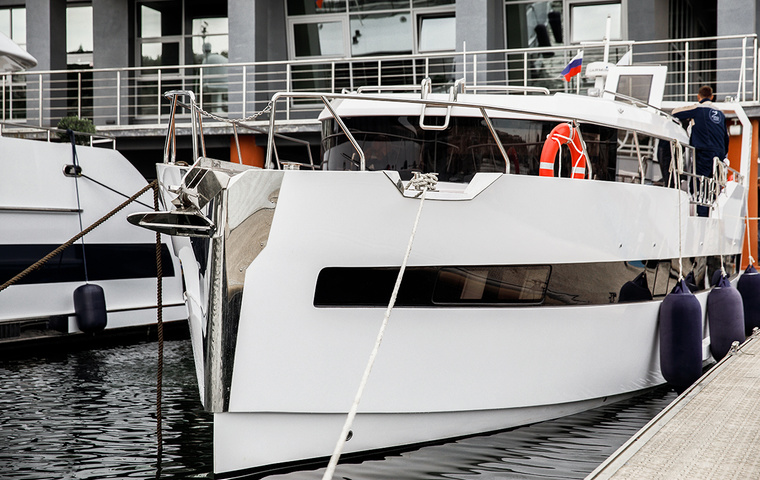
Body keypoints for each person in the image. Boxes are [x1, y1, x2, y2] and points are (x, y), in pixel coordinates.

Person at [671, 85, 729, 216]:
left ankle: (701, 216)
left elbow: (675, 112)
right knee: (713, 185)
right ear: (712, 97)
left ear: (699, 97)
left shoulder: (698, 109)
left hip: (704, 151)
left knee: (700, 185)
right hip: (719, 153)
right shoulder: (720, 113)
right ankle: (711, 213)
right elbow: (726, 137)